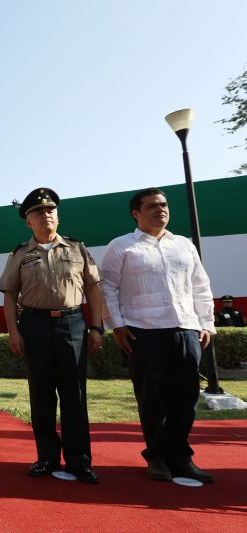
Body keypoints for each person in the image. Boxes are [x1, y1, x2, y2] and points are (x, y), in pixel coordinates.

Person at [100, 187, 215, 483]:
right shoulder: (121, 246)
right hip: (143, 332)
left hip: (186, 330)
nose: (160, 209)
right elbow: (107, 288)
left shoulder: (185, 246)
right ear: (136, 214)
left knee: (186, 398)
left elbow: (200, 286)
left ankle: (181, 456)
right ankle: (157, 457)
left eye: (163, 205)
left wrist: (206, 323)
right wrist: (117, 325)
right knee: (153, 398)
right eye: (152, 206)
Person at [0, 188, 103, 484]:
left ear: (57, 215)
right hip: (35, 325)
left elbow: (93, 289)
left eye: (50, 211)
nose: (46, 215)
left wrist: (96, 328)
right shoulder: (19, 254)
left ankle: (80, 461)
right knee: (41, 394)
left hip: (73, 325)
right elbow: (9, 295)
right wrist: (13, 331)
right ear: (28, 221)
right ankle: (47, 457)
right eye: (38, 212)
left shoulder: (77, 248)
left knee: (75, 395)